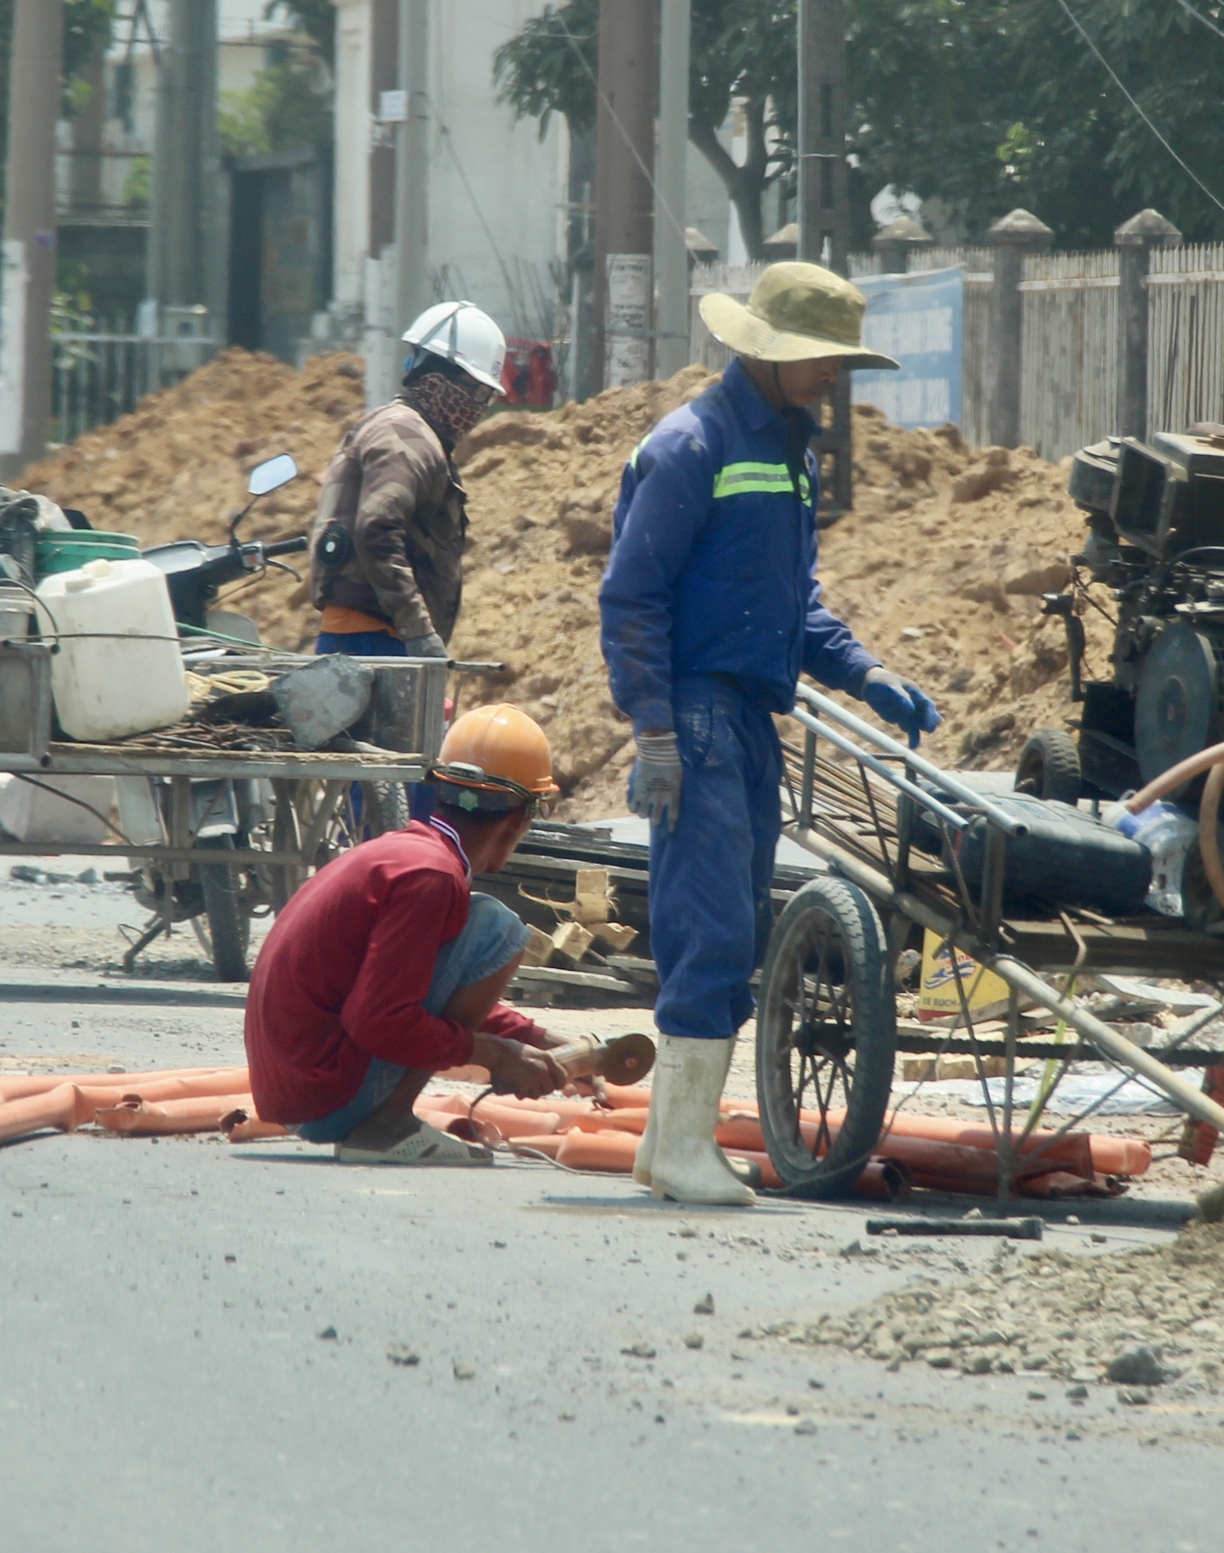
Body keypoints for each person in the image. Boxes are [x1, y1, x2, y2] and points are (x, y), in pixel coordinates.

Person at [599, 263, 941, 1206]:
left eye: (839, 358)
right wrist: (655, 732)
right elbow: (633, 599)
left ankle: (672, 1139)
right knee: (707, 925)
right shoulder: (690, 446)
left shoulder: (791, 450)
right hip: (700, 715)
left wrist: (864, 671)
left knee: (736, 922)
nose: (833, 373)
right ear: (767, 351)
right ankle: (674, 1147)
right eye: (820, 356)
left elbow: (795, 605)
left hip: (749, 715)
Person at [242, 704, 572, 1164]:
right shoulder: (431, 879)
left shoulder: (405, 855)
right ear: (519, 819)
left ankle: (382, 1119)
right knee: (499, 929)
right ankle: (386, 1127)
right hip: (324, 1097)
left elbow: (425, 988)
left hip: (298, 1087)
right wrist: (494, 1054)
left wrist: (541, 1042)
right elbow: (379, 1020)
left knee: (480, 923)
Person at [308, 300, 508, 664]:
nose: (481, 408)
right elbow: (377, 530)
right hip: (376, 640)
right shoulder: (405, 436)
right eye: (480, 394)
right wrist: (417, 629)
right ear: (442, 378)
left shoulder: (404, 431)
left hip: (377, 635)